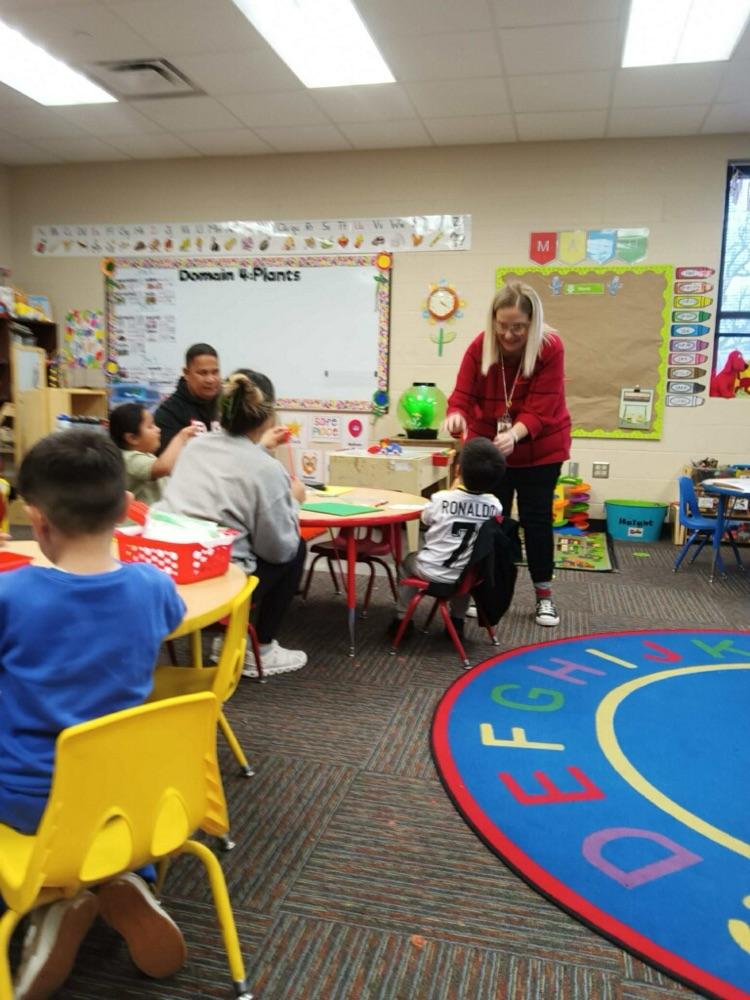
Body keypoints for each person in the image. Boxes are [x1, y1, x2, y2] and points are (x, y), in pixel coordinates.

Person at [0, 430, 187, 1000]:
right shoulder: (154, 586)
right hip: (132, 800)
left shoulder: (10, 596)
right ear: (125, 511)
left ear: (39, 519)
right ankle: (124, 879)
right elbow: (172, 622)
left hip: (29, 802)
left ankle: (48, 906)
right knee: (102, 778)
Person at [154, 369, 308, 678]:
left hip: (168, 566)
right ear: (268, 416)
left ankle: (229, 637)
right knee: (296, 548)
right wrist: (293, 500)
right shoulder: (266, 468)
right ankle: (260, 649)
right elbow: (279, 548)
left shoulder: (196, 446)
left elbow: (233, 467)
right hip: (218, 576)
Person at [443, 281, 571, 628]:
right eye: (502, 325)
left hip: (539, 450)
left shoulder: (549, 347)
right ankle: (483, 592)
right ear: (493, 320)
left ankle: (544, 596)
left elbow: (543, 408)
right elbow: (461, 396)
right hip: (491, 452)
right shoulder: (480, 347)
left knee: (536, 521)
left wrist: (515, 433)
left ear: (532, 323)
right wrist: (456, 414)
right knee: (488, 522)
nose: (509, 334)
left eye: (518, 327)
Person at [388, 437, 505, 639]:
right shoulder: (494, 505)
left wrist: (453, 488)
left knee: (406, 563)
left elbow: (426, 517)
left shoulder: (442, 499)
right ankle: (457, 621)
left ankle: (401, 619)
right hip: (466, 577)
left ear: (458, 470)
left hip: (430, 570)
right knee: (468, 564)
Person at [110, 402, 196, 506]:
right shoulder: (128, 459)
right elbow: (163, 467)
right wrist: (181, 437)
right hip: (136, 522)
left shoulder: (147, 456)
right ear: (132, 438)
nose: (158, 430)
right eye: (150, 426)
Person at [154, 343, 221, 453]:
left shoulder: (227, 403)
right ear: (186, 373)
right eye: (202, 373)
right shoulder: (169, 412)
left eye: (215, 372)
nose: (210, 380)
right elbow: (168, 460)